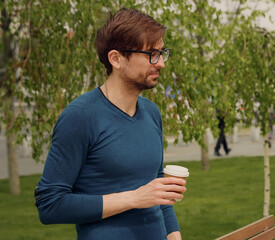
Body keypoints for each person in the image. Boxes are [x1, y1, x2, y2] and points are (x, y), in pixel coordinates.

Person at [34, 8, 186, 240]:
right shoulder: (80, 117)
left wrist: (174, 235)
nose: (160, 64)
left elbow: (157, 188)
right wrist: (134, 198)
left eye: (161, 53)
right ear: (116, 58)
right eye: (151, 54)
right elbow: (50, 204)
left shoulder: (152, 112)